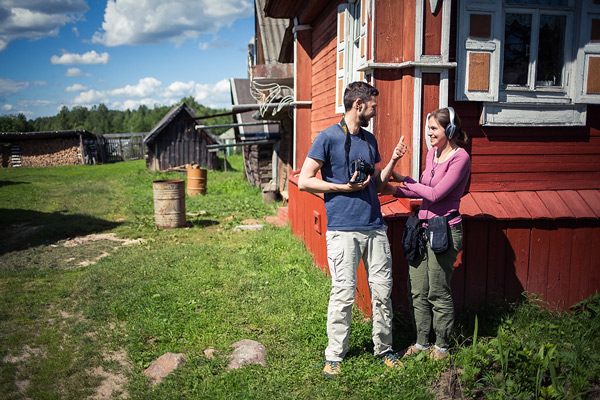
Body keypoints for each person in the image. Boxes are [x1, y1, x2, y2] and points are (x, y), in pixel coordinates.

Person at [298, 81, 407, 377]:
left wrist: (395, 159)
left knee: (382, 292)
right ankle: (334, 355)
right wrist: (342, 187)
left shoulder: (370, 140)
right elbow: (305, 180)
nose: (375, 111)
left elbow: (379, 184)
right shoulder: (328, 137)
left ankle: (384, 349)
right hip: (343, 229)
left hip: (374, 226)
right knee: (344, 293)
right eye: (373, 106)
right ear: (358, 105)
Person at [382, 107, 470, 360]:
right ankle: (421, 343)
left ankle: (441, 347)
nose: (428, 134)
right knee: (418, 290)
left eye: (433, 129)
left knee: (438, 291)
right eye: (427, 128)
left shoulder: (460, 158)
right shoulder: (432, 154)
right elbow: (422, 190)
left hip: (445, 230)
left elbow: (434, 194)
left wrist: (405, 180)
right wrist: (394, 188)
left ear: (449, 130)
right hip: (421, 229)